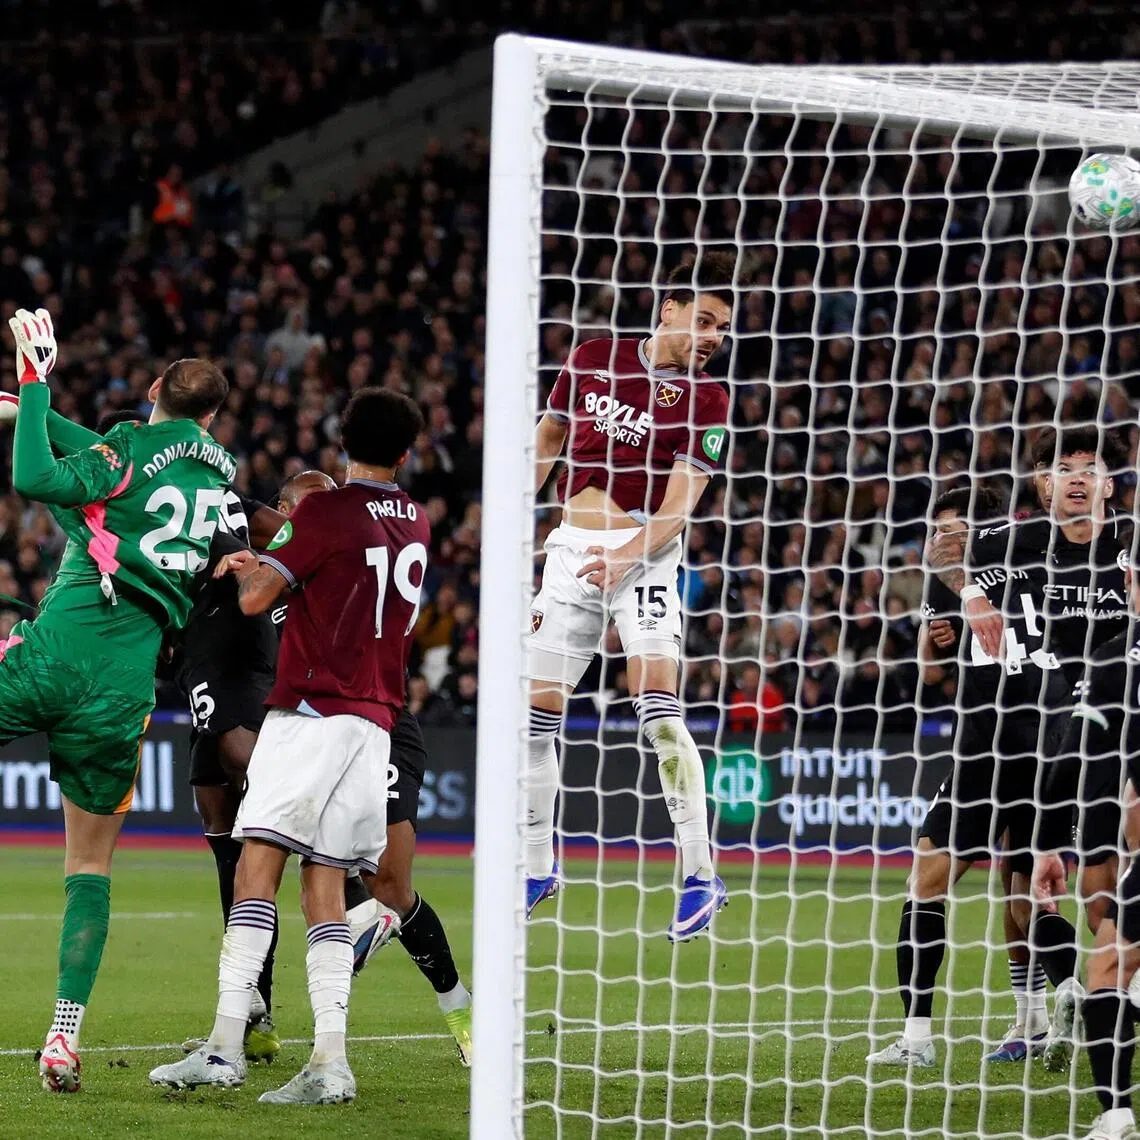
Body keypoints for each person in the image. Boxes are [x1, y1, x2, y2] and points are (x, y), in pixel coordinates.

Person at [149, 387, 429, 1106]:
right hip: (375, 722)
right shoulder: (417, 520)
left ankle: (221, 1048)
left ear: (343, 440)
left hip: (309, 711)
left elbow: (254, 599)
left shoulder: (326, 512)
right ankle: (330, 1062)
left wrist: (260, 559)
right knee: (325, 888)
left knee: (255, 871)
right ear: (405, 452)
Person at [1, 309, 232, 1093]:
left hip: (52, 656)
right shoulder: (220, 472)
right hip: (124, 691)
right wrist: (30, 412)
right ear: (211, 415)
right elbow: (121, 471)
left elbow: (36, 478)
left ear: (155, 388)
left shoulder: (129, 443)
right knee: (88, 867)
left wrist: (34, 385)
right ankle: (63, 1039)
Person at [528, 251, 741, 941]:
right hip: (568, 554)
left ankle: (701, 874)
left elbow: (680, 508)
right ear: (667, 311)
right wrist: (508, 521)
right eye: (704, 321)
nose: (712, 338)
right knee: (532, 719)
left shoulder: (709, 400)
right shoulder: (593, 355)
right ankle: (537, 866)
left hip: (644, 560)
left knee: (656, 707)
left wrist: (623, 557)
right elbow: (548, 440)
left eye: (723, 330)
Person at [177, 471, 332, 1062]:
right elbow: (234, 518)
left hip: (241, 655)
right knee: (223, 834)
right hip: (208, 649)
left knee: (242, 765)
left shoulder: (287, 537)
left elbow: (275, 541)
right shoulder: (220, 504)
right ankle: (255, 1011)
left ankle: (328, 856)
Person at [1033, 523, 1140, 1140]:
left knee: (1106, 964)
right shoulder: (1106, 664)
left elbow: (1083, 753)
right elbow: (1084, 755)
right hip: (1111, 823)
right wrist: (1052, 838)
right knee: (1105, 943)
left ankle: (1117, 1112)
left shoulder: (1108, 665)